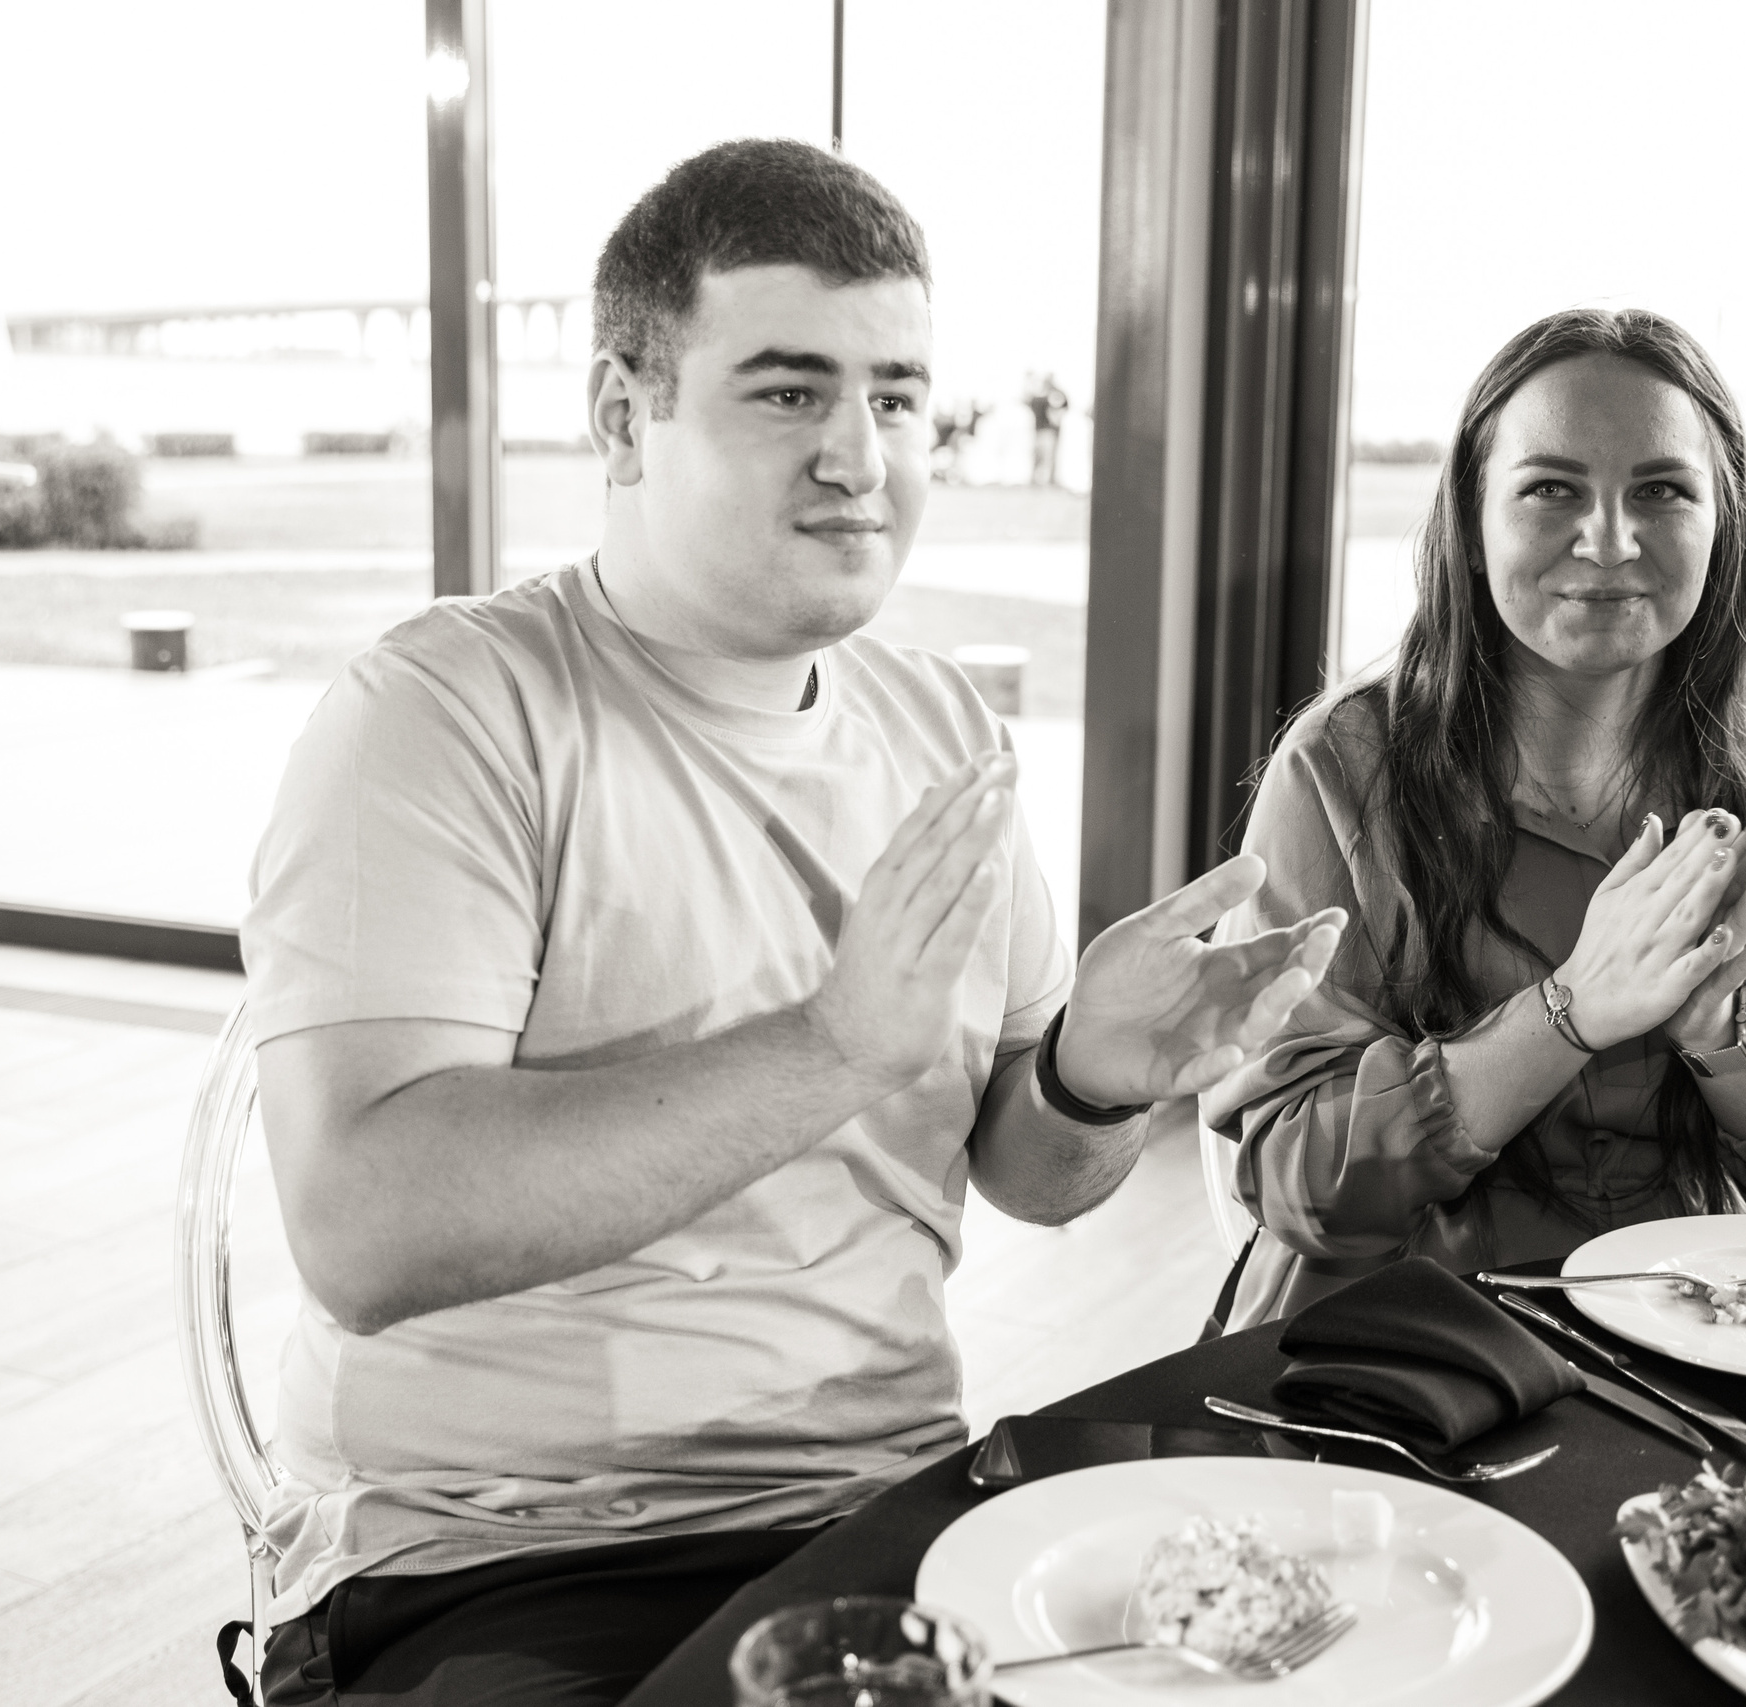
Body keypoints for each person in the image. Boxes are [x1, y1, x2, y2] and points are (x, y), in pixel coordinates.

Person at [240, 138, 1343, 1705]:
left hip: (881, 1509)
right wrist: (833, 1045)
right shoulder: (446, 709)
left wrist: (1100, 1072)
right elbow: (364, 1228)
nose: (860, 455)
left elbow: (1030, 1174)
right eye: (787, 391)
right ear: (623, 415)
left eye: (897, 396)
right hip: (509, 1554)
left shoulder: (936, 722)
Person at [1200, 308, 1746, 1331]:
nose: (1609, 539)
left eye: (1661, 490)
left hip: (1688, 1353)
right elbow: (1298, 1182)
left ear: (1721, 523)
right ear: (1472, 517)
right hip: (1383, 1363)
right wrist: (1574, 1010)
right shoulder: (1340, 769)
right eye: (1551, 488)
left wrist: (1725, 1035)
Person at [1024, 371, 1069, 487]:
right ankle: (1040, 481)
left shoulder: (1051, 395)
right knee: (1042, 458)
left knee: (1045, 458)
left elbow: (1061, 409)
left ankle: (1045, 481)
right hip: (1043, 431)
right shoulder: (1042, 396)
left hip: (1046, 431)